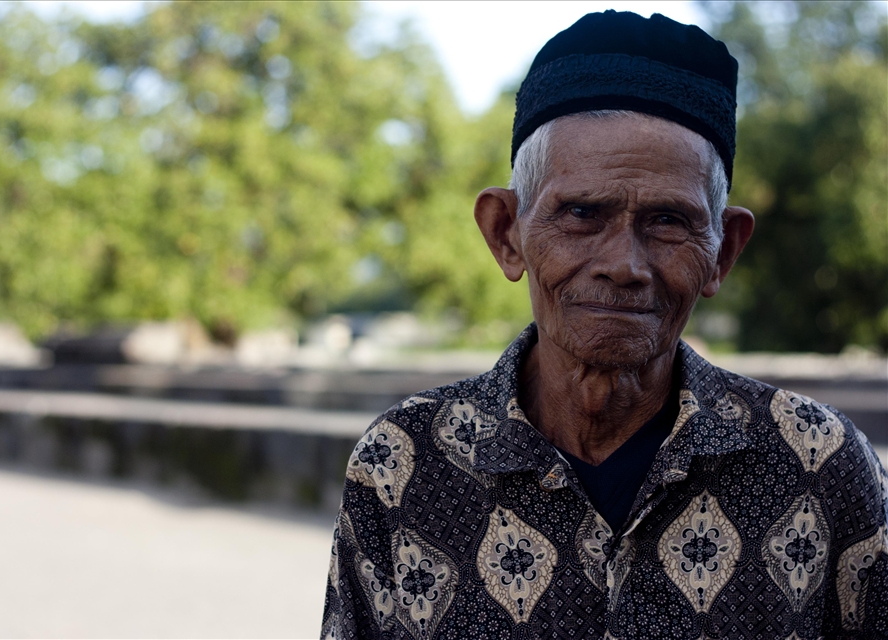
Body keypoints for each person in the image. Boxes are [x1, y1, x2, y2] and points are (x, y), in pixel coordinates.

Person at [321, 11, 887, 639]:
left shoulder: (818, 463)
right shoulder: (404, 466)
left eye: (668, 220)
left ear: (722, 253)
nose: (624, 265)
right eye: (582, 213)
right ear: (507, 234)